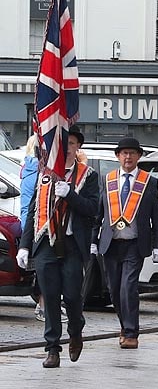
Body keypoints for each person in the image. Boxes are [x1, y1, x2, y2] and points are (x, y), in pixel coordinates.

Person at [16, 126, 99, 368]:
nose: (66, 149)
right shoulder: (44, 175)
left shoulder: (88, 175)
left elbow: (93, 209)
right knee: (49, 297)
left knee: (72, 296)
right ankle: (52, 348)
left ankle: (75, 329)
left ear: (77, 147)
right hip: (45, 245)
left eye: (71, 144)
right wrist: (24, 246)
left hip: (73, 244)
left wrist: (70, 195)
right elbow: (33, 212)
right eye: (61, 145)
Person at [91, 137, 158, 349]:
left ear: (139, 156)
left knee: (128, 287)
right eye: (124, 153)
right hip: (111, 243)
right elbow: (99, 213)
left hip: (135, 243)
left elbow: (157, 216)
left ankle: (132, 332)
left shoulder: (148, 181)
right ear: (117, 156)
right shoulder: (108, 179)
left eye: (132, 153)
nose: (128, 156)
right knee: (114, 290)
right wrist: (93, 239)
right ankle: (125, 325)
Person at [19, 135, 46, 321]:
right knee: (44, 269)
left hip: (28, 224)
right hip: (37, 225)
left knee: (40, 269)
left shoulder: (26, 169)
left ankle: (44, 304)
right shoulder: (40, 172)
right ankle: (43, 305)